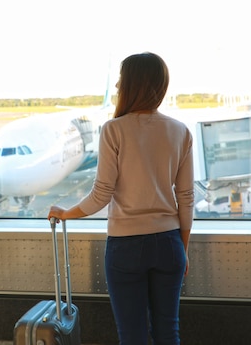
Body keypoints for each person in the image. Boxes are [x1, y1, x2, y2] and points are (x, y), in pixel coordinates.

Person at [47, 52, 194, 345]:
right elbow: (186, 198)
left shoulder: (113, 130)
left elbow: (102, 194)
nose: (116, 85)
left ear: (132, 85)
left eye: (121, 79)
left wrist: (66, 214)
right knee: (169, 332)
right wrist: (182, 248)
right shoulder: (181, 131)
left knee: (132, 336)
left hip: (127, 247)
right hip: (169, 243)